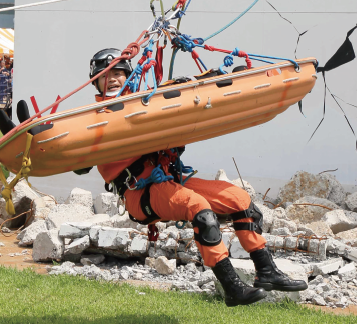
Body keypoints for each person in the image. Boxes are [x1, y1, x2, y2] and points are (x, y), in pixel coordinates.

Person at [88, 48, 308, 307]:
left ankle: (267, 272)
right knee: (200, 210)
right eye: (107, 75)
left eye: (119, 73)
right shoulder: (94, 118)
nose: (114, 79)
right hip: (141, 193)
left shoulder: (143, 101)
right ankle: (232, 287)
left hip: (171, 179)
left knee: (240, 200)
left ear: (128, 75)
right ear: (97, 81)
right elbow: (80, 162)